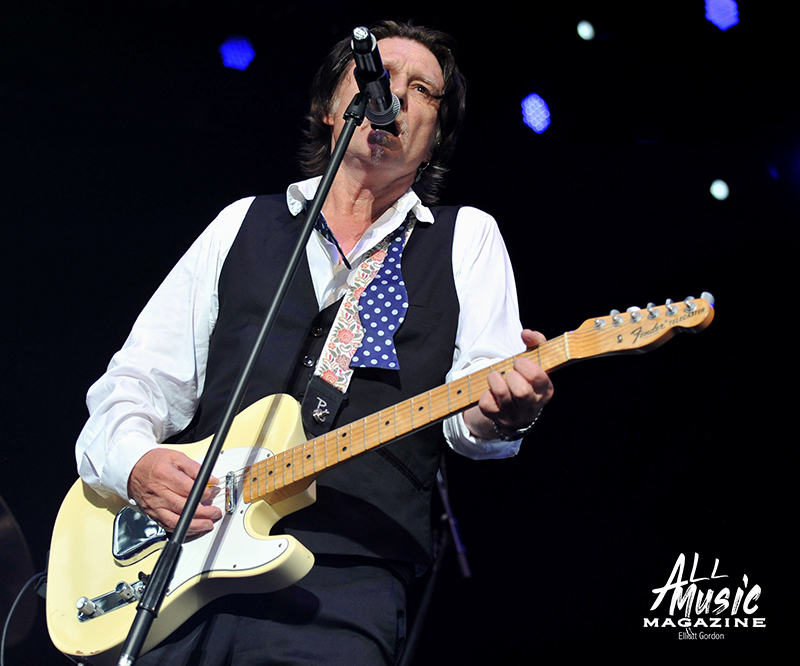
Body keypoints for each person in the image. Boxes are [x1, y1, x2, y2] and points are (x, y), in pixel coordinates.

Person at [75, 20, 553, 666]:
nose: (395, 95)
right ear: (330, 109)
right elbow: (135, 383)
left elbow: (474, 416)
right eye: (377, 75)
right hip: (178, 574)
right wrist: (135, 464)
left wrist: (505, 412)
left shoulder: (466, 239)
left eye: (421, 89)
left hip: (344, 588)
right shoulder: (243, 223)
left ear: (435, 136)